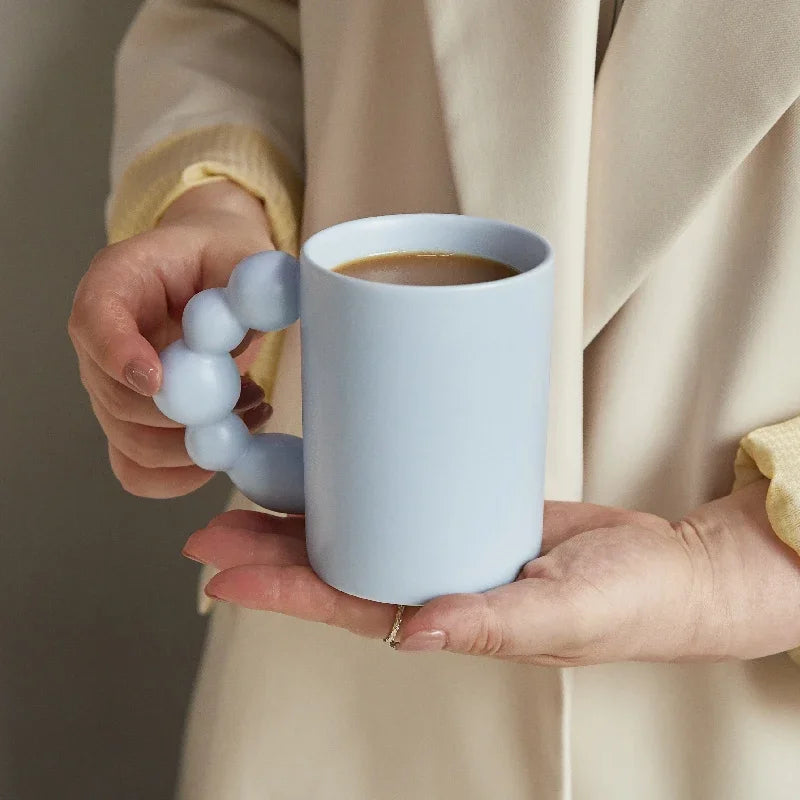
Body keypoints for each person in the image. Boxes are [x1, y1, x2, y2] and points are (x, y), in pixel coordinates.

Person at [68, 1, 800, 798]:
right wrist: (215, 199)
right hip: (334, 697)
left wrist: (735, 565)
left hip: (740, 714)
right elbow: (235, 18)